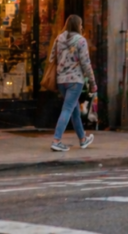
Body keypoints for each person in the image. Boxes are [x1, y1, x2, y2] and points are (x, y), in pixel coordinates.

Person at [49, 14, 96, 152]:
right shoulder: (81, 41)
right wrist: (93, 82)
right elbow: (86, 64)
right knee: (68, 109)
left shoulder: (59, 39)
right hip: (75, 80)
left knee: (74, 109)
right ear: (77, 26)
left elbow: (52, 57)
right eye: (81, 25)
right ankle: (56, 140)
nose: (82, 27)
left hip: (61, 80)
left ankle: (83, 139)